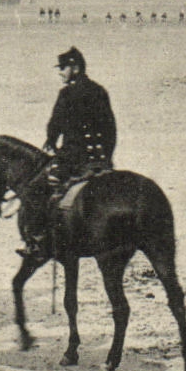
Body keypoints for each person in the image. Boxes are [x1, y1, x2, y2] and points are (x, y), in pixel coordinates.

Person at [16, 47, 117, 264]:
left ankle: (38, 241)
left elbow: (54, 127)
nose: (60, 72)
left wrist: (52, 142)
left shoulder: (67, 94)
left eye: (63, 68)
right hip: (98, 160)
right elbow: (111, 129)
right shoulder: (100, 91)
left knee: (33, 191)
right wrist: (105, 158)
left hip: (73, 160)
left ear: (75, 68)